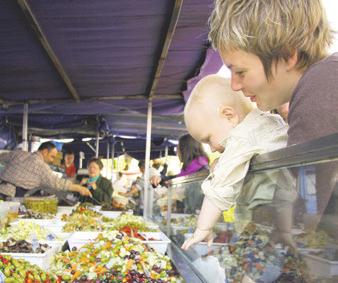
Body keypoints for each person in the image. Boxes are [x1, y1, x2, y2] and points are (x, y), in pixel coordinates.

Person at [208, 0, 338, 217]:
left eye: (240, 72)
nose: (234, 85)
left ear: (288, 55)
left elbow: (304, 209)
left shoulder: (318, 86)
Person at [181, 75, 295, 251]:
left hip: (259, 221)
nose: (211, 149)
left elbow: (220, 188)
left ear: (229, 116)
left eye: (208, 139)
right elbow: (285, 194)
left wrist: (203, 228)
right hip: (281, 218)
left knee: (249, 272)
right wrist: (285, 231)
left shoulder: (241, 137)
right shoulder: (269, 123)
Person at [0, 142, 91, 199]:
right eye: (52, 157)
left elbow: (2, 157)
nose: (52, 160)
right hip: (9, 196)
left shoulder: (20, 154)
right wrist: (79, 188)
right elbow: (57, 183)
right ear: (44, 152)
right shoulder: (41, 166)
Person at [150, 134, 209, 213]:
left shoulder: (202, 171)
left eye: (178, 149)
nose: (176, 152)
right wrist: (161, 178)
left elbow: (194, 198)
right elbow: (178, 178)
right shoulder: (190, 168)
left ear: (185, 150)